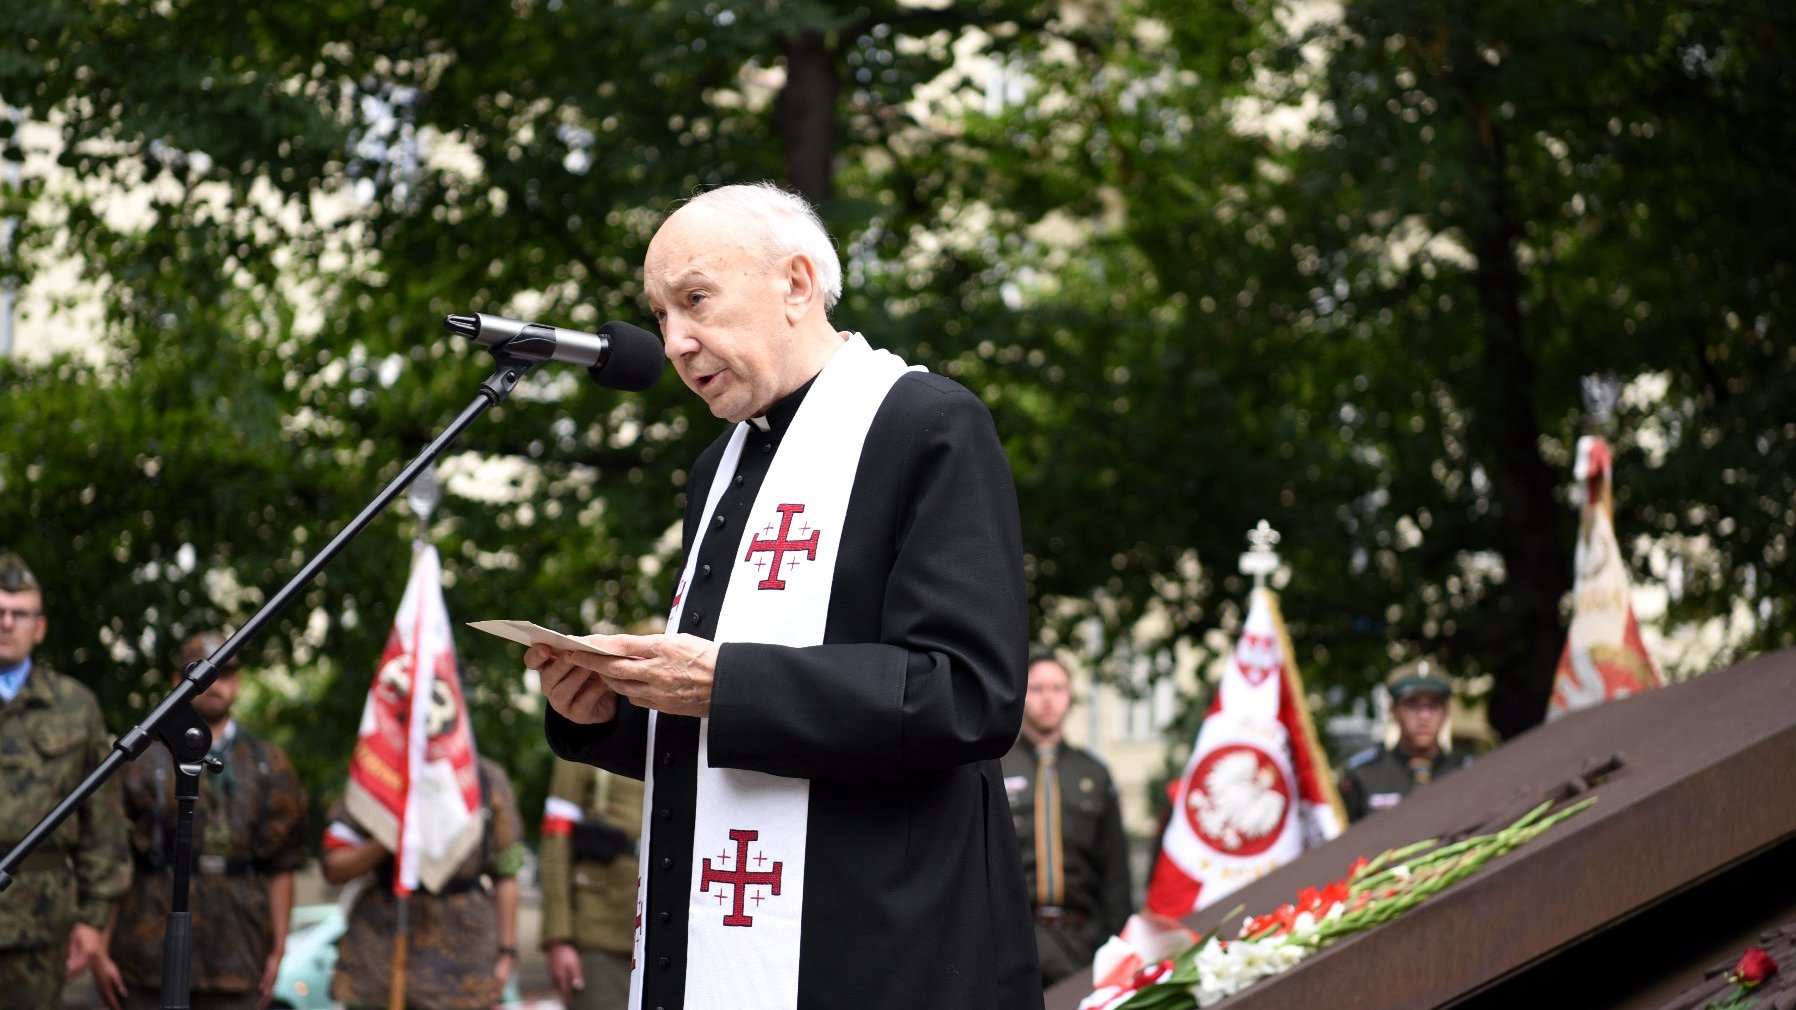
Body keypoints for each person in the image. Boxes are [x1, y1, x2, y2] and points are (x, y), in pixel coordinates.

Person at [528, 182, 1039, 1010]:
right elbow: (727, 714)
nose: (676, 342)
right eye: (661, 316)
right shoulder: (718, 469)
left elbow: (968, 694)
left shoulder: (927, 426)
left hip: (877, 946)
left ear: (797, 283)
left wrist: (726, 684)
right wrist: (613, 711)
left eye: (695, 300)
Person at [92, 631, 310, 1010]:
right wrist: (99, 943)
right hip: (145, 955)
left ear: (238, 682)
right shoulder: (140, 759)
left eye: (225, 673)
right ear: (178, 682)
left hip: (237, 955)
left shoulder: (269, 764)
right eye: (202, 673)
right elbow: (114, 857)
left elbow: (282, 865)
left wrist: (278, 947)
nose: (215, 684)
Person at [0, 551, 131, 1010]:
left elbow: (104, 822)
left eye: (20, 614)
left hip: (40, 921)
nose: (7, 623)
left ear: (40, 627)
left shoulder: (76, 706)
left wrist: (93, 920)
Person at [320, 754, 525, 1010]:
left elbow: (507, 871)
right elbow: (334, 867)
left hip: (462, 967)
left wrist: (507, 952)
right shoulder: (377, 766)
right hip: (379, 960)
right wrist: (392, 831)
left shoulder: (486, 778)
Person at [1000, 650, 1133, 989]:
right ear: (1021, 694)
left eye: (1058, 689)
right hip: (1012, 939)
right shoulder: (996, 767)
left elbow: (1116, 873)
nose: (1048, 699)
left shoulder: (1093, 774)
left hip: (1081, 944)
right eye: (1038, 688)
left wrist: (1112, 942)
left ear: (1070, 697)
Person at [540, 757, 644, 1010]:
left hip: (672, 931)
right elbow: (556, 840)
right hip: (601, 933)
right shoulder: (586, 727)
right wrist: (558, 937)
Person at [1339, 659, 1475, 822]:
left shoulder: (1468, 772)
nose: (1424, 716)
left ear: (1446, 711)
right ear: (1393, 711)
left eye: (1433, 705)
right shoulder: (1363, 776)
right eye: (1412, 704)